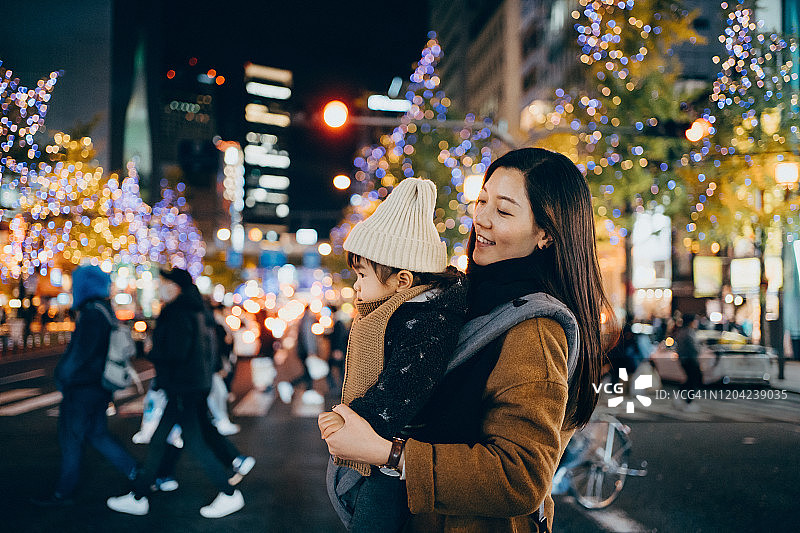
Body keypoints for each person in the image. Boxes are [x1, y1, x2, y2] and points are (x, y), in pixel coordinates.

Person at [321, 148, 616, 533]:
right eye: (481, 201)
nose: (481, 219)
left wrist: (387, 453)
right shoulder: (464, 298)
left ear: (545, 234)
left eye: (503, 211)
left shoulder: (537, 330)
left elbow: (521, 477)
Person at [318, 177, 469, 532]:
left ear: (402, 281)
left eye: (362, 275)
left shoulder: (427, 321)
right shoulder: (402, 311)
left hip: (399, 461)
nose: (356, 285)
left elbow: (404, 387)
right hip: (392, 451)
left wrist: (353, 418)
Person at [107, 268, 252, 518]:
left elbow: (177, 352)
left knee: (193, 442)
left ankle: (228, 493)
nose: (161, 287)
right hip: (191, 384)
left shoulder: (178, 312)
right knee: (160, 440)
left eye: (164, 283)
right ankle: (139, 495)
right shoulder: (196, 309)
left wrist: (151, 350)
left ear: (175, 287)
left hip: (183, 385)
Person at [33, 265, 138, 506]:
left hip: (82, 388)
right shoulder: (105, 310)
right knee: (97, 434)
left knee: (71, 438)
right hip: (100, 386)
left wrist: (62, 376)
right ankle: (136, 472)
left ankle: (63, 492)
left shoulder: (91, 313)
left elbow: (80, 354)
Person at [277, 304, 324, 405]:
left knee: (308, 373)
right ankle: (291, 385)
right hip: (306, 351)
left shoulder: (303, 318)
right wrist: (311, 351)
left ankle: (306, 390)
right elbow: (308, 336)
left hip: (302, 350)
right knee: (308, 373)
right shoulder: (308, 319)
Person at [674, 313, 702, 413]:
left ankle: (679, 398)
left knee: (689, 380)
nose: (697, 322)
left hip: (684, 360)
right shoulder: (689, 333)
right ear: (691, 322)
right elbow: (695, 348)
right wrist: (700, 348)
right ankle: (688, 403)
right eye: (695, 320)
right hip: (691, 360)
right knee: (693, 381)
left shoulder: (681, 332)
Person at [324, 305, 349, 396]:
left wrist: (338, 350)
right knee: (339, 370)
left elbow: (340, 338)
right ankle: (339, 389)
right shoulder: (338, 323)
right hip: (338, 351)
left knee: (340, 370)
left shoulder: (338, 323)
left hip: (338, 352)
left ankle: (339, 389)